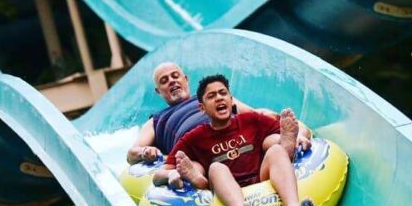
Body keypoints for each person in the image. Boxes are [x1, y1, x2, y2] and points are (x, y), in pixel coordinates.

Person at [153, 74, 315, 206]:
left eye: (223, 93)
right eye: (211, 96)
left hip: (261, 177)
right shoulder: (194, 137)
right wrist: (172, 173)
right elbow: (158, 174)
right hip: (225, 187)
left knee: (277, 150)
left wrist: (298, 137)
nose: (219, 98)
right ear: (202, 108)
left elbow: (294, 130)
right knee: (216, 167)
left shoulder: (251, 120)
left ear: (231, 100)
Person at [126, 62, 311, 164]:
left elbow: (254, 114)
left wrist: (297, 131)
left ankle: (288, 144)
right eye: (164, 80)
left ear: (185, 79)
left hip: (237, 136)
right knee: (204, 166)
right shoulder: (156, 121)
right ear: (159, 91)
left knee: (264, 131)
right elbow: (132, 153)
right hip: (200, 149)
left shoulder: (210, 96)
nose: (172, 81)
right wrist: (145, 152)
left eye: (175, 76)